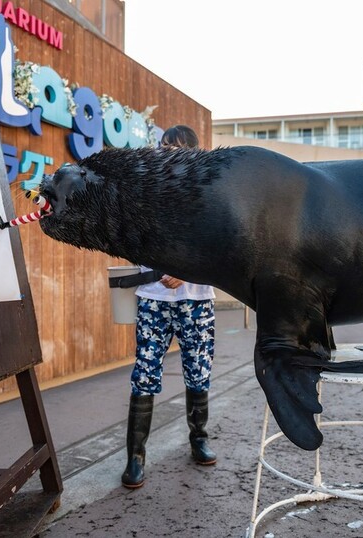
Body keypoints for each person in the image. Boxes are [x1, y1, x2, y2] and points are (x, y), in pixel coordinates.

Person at [121, 125, 217, 489]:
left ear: (192, 153)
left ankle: (199, 438)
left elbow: (219, 245)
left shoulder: (208, 194)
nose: (167, 154)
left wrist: (186, 268)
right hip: (153, 299)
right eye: (163, 147)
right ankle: (135, 457)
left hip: (197, 299)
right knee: (144, 372)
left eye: (175, 148)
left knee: (198, 371)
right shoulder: (146, 194)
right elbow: (133, 241)